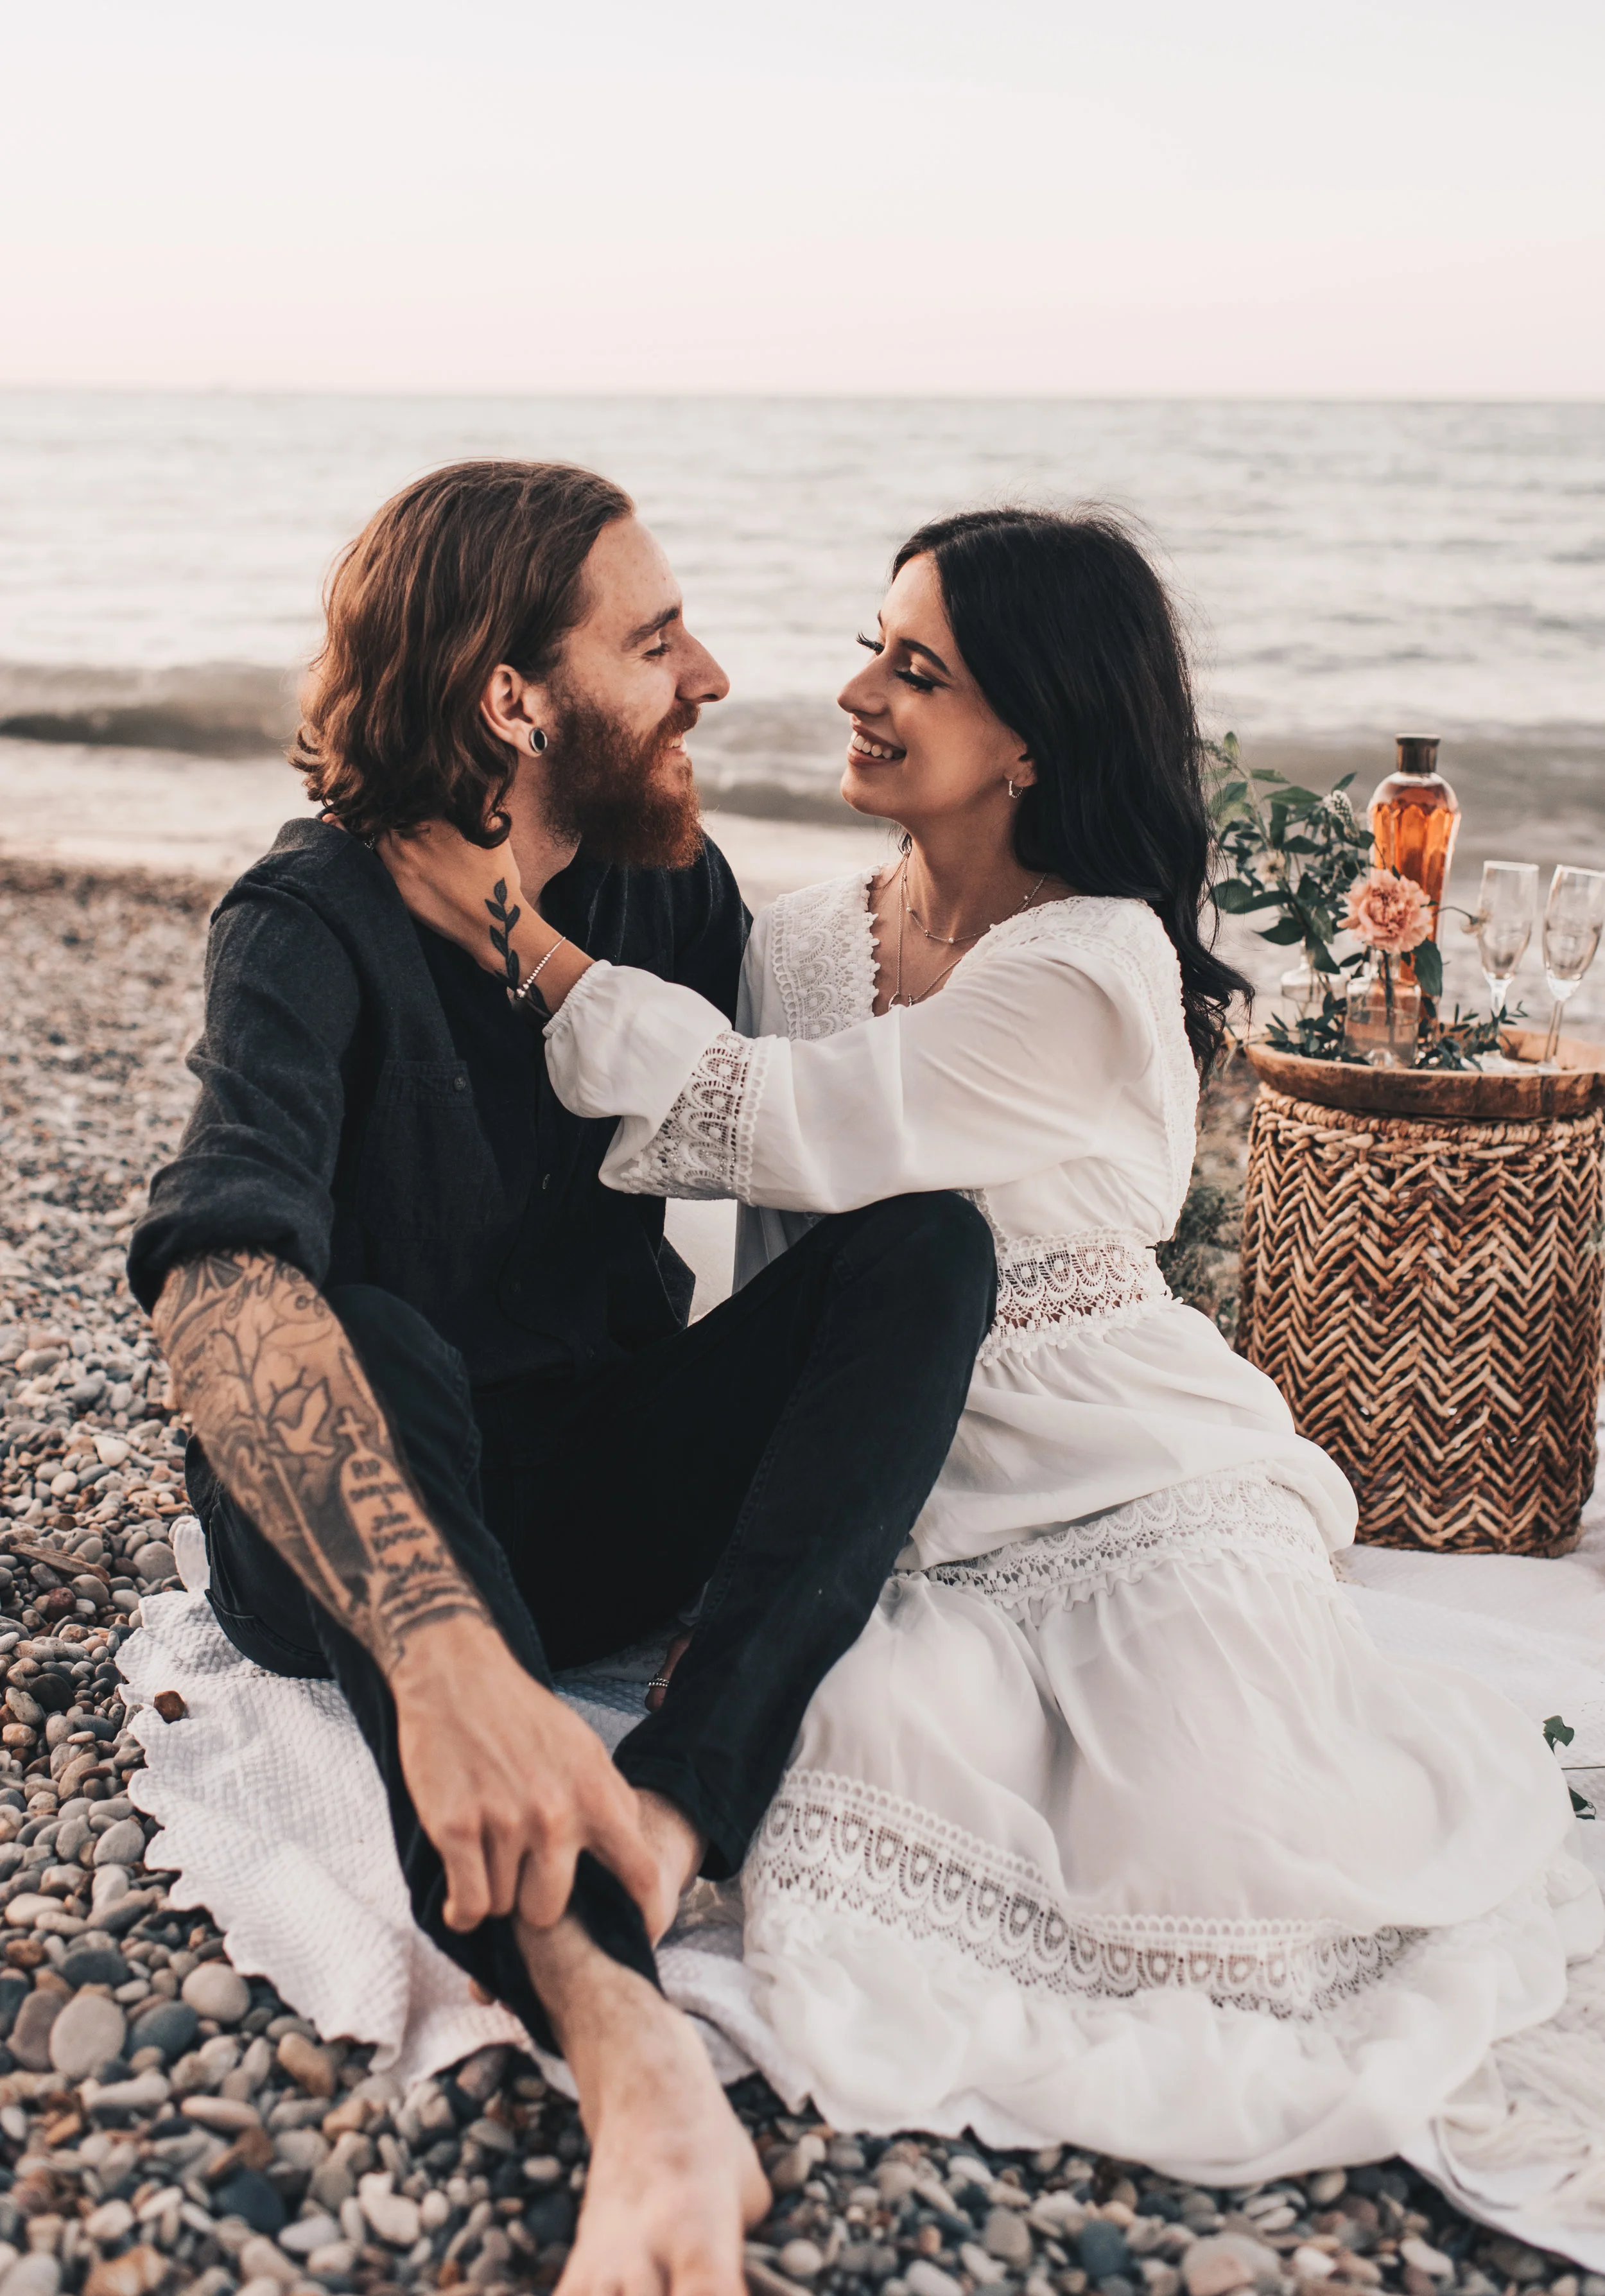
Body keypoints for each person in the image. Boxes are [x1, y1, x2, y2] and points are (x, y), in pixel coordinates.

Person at [394, 505, 1604, 2185]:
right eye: (869, 646)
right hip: (884, 1444)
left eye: (915, 669)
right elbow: (777, 1245)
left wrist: (509, 926)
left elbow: (791, 1126)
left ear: (1029, 735)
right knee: (888, 1741)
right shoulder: (804, 939)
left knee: (1219, 1835)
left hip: (1110, 1445)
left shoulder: (1090, 964)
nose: (855, 692)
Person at [125, 460, 998, 2296]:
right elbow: (214, 1283)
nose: (713, 676)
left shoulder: (666, 895)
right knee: (367, 1328)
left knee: (928, 1246)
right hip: (363, 1545)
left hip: (586, 1486)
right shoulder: (307, 926)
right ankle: (631, 2057)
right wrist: (448, 1660)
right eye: (656, 639)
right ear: (512, 698)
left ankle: (675, 1805)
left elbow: (805, 1149)